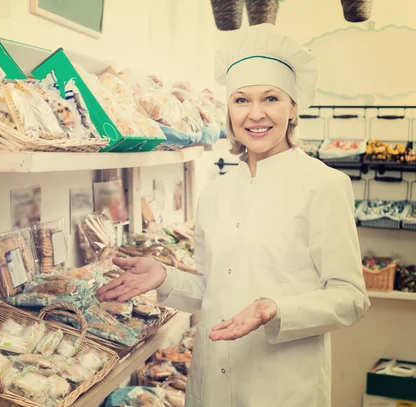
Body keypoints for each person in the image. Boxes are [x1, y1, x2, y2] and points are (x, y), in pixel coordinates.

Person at [97, 23, 370, 407]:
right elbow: (215, 290)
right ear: (228, 109)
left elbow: (351, 298)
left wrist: (275, 308)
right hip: (213, 386)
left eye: (271, 98)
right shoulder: (215, 194)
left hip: (283, 388)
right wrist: (166, 276)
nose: (255, 114)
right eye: (242, 100)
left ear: (293, 107)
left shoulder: (323, 186)